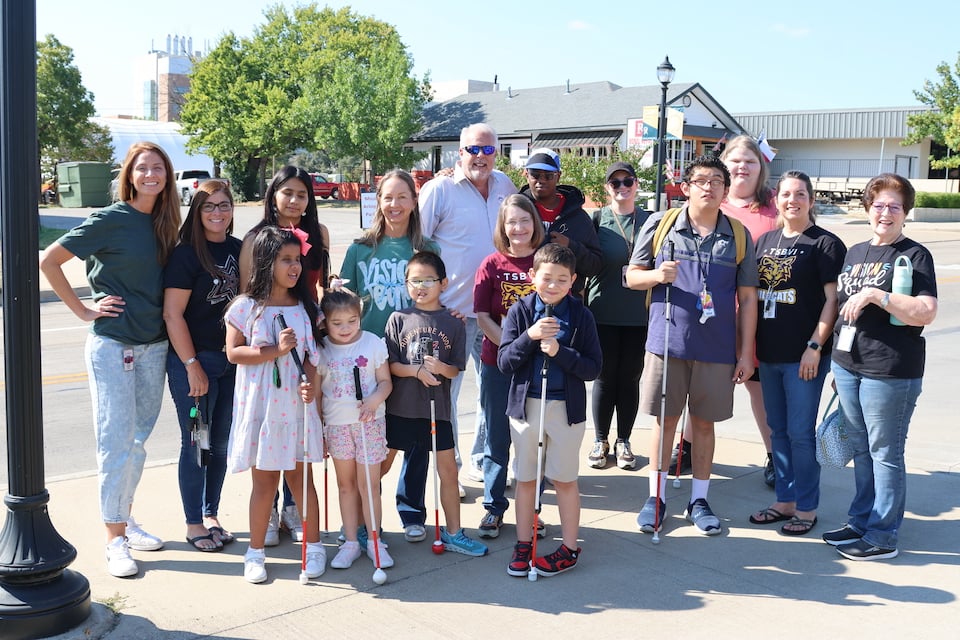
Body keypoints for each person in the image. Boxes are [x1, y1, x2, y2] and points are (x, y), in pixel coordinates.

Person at [40, 141, 180, 578]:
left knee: (136, 443)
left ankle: (125, 518)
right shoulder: (110, 219)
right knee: (114, 444)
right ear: (129, 174)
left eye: (159, 168)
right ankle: (113, 539)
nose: (151, 175)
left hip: (154, 346)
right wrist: (83, 310)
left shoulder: (166, 222)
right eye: (143, 168)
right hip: (113, 345)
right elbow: (50, 261)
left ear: (167, 176)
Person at [627, 154, 759, 537]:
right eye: (701, 180)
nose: (710, 187)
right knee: (664, 422)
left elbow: (748, 298)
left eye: (717, 180)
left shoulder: (737, 234)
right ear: (685, 188)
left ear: (725, 188)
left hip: (716, 347)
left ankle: (699, 499)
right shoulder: (661, 224)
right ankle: (656, 497)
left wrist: (746, 352)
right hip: (667, 344)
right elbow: (632, 277)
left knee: (703, 424)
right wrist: (656, 274)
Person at [823, 173, 937, 560]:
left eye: (894, 206)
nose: (885, 213)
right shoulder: (855, 252)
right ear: (868, 209)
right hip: (848, 366)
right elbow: (841, 311)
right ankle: (860, 521)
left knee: (885, 451)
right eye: (878, 205)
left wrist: (879, 296)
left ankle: (882, 536)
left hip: (889, 371)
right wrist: (839, 365)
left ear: (905, 213)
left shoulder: (914, 255)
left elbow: (926, 311)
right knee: (862, 448)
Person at [673, 135, 779, 484]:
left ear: (760, 167)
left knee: (758, 388)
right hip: (712, 318)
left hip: (757, 315)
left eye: (750, 161)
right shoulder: (711, 206)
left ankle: (774, 456)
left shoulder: (773, 208)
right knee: (699, 386)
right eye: (736, 161)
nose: (743, 167)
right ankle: (686, 448)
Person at [419, 123, 517, 491]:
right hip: (452, 312)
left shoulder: (505, 186)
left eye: (488, 150)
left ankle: (481, 460)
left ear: (497, 153)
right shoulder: (438, 189)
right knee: (445, 396)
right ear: (459, 152)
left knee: (493, 394)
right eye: (473, 150)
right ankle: (449, 470)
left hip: (494, 313)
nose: (481, 157)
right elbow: (421, 248)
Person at [224, 227, 326, 584]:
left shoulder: (304, 307)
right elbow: (235, 352)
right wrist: (275, 351)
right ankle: (254, 553)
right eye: (286, 260)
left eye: (297, 260)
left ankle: (314, 547)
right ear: (266, 262)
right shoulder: (246, 307)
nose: (294, 267)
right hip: (263, 408)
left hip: (295, 410)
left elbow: (312, 358)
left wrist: (311, 385)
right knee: (264, 484)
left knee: (301, 482)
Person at [748, 171, 846, 536]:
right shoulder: (765, 241)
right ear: (777, 198)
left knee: (801, 433)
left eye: (800, 194)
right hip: (768, 355)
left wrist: (815, 347)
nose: (793, 200)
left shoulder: (825, 244)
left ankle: (806, 507)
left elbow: (832, 301)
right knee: (779, 431)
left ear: (811, 199)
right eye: (787, 194)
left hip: (804, 357)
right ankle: (784, 501)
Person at [498, 243, 602, 577]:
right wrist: (529, 336)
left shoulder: (581, 315)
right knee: (526, 479)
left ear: (573, 280)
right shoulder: (521, 312)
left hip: (565, 409)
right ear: (532, 277)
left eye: (561, 279)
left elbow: (592, 368)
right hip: (527, 408)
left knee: (564, 479)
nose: (553, 285)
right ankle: (523, 543)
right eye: (546, 278)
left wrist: (561, 352)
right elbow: (504, 361)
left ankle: (569, 548)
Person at [239, 165, 330, 545]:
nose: (294, 201)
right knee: (269, 438)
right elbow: (250, 296)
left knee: (301, 438)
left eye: (302, 194)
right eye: (287, 192)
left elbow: (322, 285)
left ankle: (296, 513)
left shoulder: (318, 234)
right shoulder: (256, 239)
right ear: (273, 194)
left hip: (307, 330)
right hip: (270, 343)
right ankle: (271, 512)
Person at [384, 251, 488, 557]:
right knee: (379, 467)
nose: (421, 286)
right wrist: (415, 370)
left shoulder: (454, 322)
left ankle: (454, 532)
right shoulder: (398, 319)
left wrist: (441, 369)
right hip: (401, 409)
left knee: (448, 472)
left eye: (428, 280)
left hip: (437, 411)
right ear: (406, 284)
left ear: (443, 283)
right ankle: (365, 526)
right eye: (414, 280)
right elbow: (390, 365)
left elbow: (456, 369)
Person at [163, 179, 242, 552]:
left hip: (231, 363)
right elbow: (172, 314)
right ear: (196, 212)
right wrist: (191, 364)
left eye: (223, 205)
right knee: (197, 443)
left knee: (221, 444)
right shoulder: (186, 255)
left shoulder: (239, 250)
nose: (217, 213)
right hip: (195, 364)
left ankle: (212, 514)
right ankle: (194, 523)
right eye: (208, 206)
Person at [472, 194, 545, 538]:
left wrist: (528, 348)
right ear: (503, 226)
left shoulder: (544, 261)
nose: (518, 227)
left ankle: (532, 510)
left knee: (533, 440)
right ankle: (493, 508)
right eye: (511, 222)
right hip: (497, 363)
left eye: (524, 220)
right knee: (497, 438)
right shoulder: (491, 264)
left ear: (535, 222)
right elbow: (483, 315)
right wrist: (512, 346)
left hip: (538, 365)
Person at [317, 289, 394, 570]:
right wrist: (320, 430)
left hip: (370, 424)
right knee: (346, 485)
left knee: (369, 485)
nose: (346, 328)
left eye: (352, 320)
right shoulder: (322, 348)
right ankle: (350, 542)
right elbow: (317, 394)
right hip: (337, 425)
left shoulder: (373, 344)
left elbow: (385, 382)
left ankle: (374, 540)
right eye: (337, 323)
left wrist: (374, 400)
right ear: (325, 322)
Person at [584, 161, 651, 470]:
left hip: (640, 315)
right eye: (615, 183)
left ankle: (623, 439)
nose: (622, 187)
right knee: (605, 378)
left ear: (636, 185)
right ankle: (600, 440)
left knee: (630, 379)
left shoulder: (651, 221)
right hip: (602, 313)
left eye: (628, 181)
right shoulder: (597, 220)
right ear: (607, 188)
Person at [339, 169, 440, 337]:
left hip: (412, 348)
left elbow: (436, 300)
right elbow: (341, 304)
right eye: (388, 197)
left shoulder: (429, 249)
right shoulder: (358, 250)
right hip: (368, 349)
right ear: (378, 200)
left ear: (414, 201)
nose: (394, 204)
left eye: (402, 197)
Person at [519, 148, 602, 297]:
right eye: (535, 174)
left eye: (548, 175)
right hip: (524, 302)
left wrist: (571, 247)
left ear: (558, 176)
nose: (541, 180)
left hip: (567, 307)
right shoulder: (516, 212)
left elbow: (595, 266)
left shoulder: (578, 217)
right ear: (526, 174)